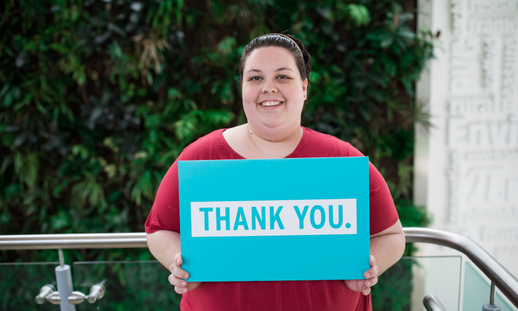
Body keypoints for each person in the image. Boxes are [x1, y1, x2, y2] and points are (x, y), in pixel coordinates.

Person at [145, 33, 406, 311]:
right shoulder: (201, 159)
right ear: (242, 88)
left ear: (304, 87)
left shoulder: (341, 159)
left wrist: (365, 266)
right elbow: (159, 228)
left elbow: (391, 236)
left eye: (283, 76)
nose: (269, 88)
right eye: (255, 78)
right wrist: (182, 263)